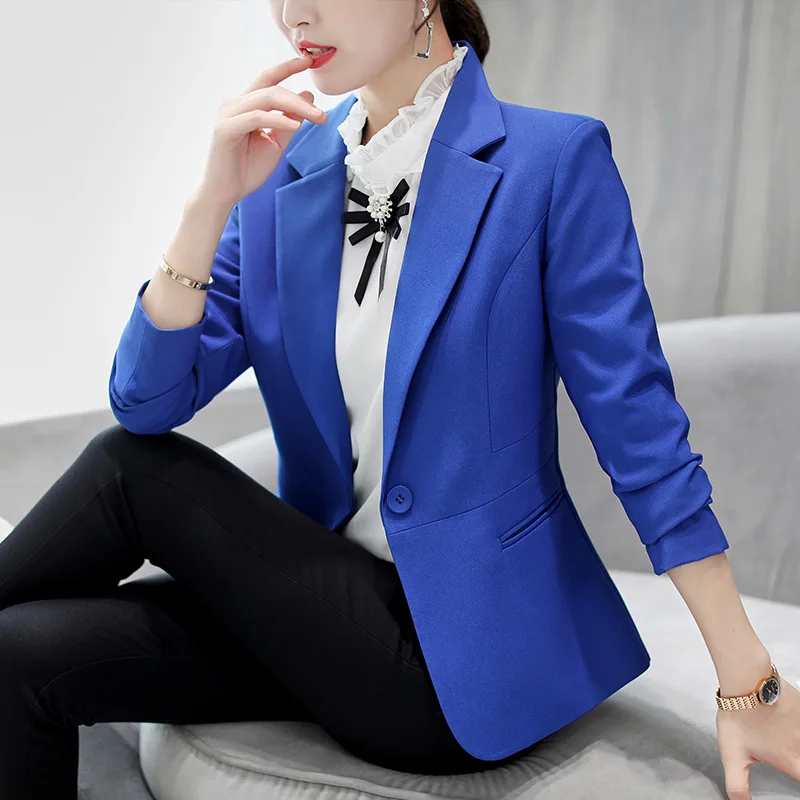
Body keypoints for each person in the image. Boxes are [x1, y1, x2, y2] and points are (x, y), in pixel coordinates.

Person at [1, 1, 799, 797]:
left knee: (126, 470)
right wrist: (208, 204)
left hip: (454, 659)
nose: (294, 13)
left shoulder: (552, 163)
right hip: (316, 609)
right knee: (21, 650)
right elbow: (146, 401)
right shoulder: (282, 170)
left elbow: (640, 431)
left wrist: (749, 683)